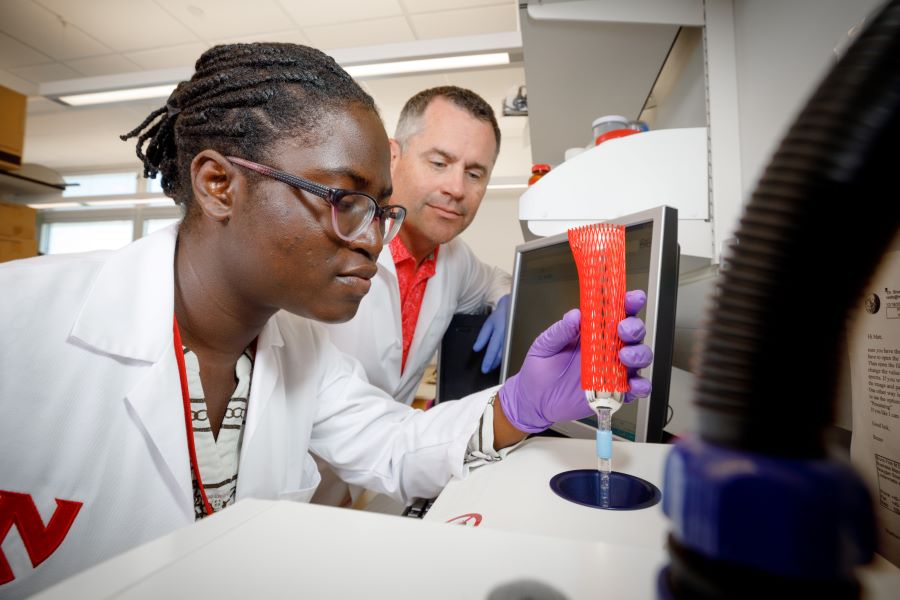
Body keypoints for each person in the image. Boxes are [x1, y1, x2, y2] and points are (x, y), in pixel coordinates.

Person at [0, 43, 652, 598]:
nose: (372, 239)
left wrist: (520, 404)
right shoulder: (18, 321)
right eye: (345, 200)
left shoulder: (301, 351)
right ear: (219, 184)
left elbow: (394, 447)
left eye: (381, 211)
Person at [325, 86, 511, 411]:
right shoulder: (333, 238)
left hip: (395, 451)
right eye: (439, 163)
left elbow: (496, 280)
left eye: (474, 173)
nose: (456, 188)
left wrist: (508, 301)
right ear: (392, 156)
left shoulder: (455, 257)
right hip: (307, 458)